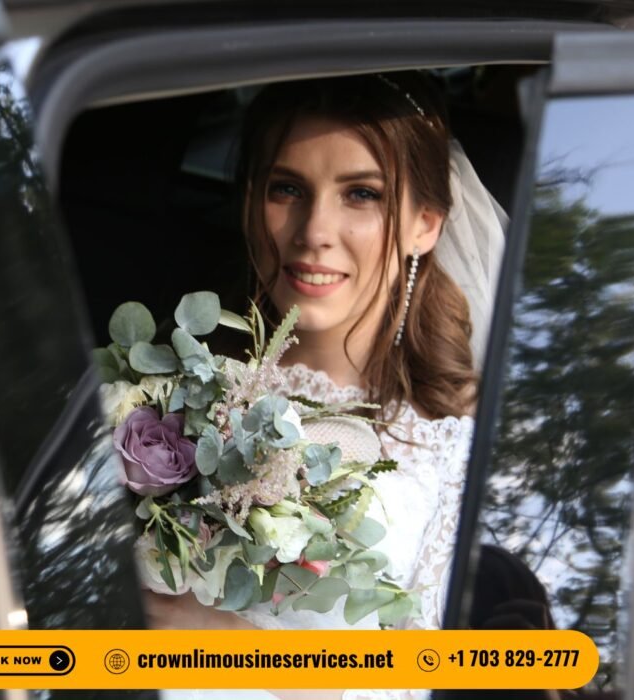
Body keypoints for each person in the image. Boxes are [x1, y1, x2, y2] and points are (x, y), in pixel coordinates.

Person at [146, 70, 507, 700]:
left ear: (425, 223)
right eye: (288, 188)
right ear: (251, 201)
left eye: (361, 194)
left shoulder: (461, 447)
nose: (314, 230)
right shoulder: (168, 386)